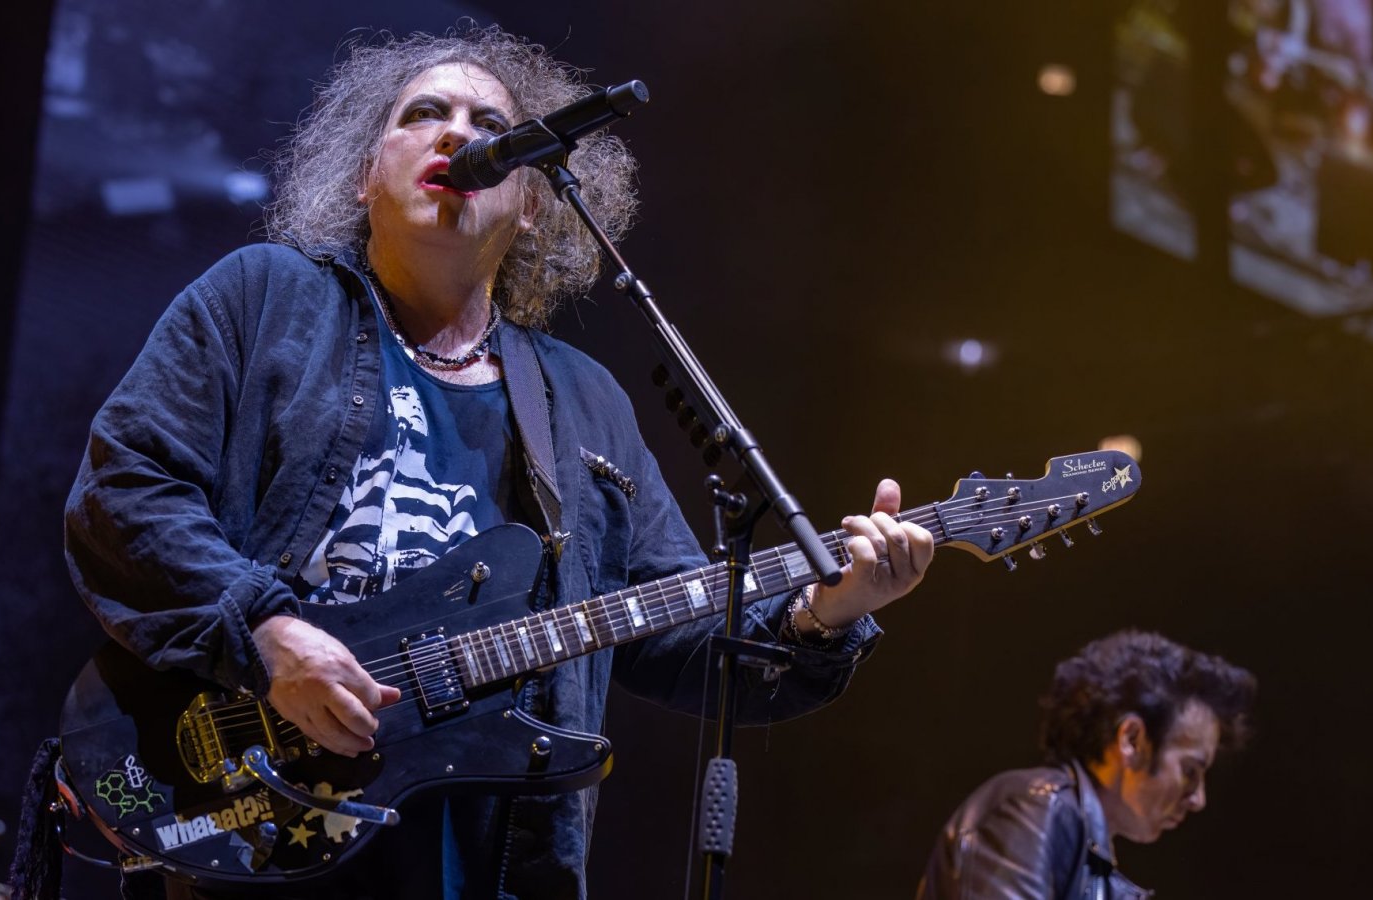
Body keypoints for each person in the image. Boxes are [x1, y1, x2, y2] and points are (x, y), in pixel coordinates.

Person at [62, 23, 935, 900]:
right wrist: (268, 634)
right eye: (425, 113)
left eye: (489, 123)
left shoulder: (583, 402)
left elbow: (675, 631)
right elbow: (125, 490)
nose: (458, 134)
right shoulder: (265, 299)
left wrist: (827, 612)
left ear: (530, 203)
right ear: (365, 174)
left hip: (489, 861)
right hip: (261, 809)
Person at [916, 630, 1256, 900]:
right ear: (1132, 740)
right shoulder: (1036, 808)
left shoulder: (1083, 851)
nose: (1198, 800)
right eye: (1190, 771)